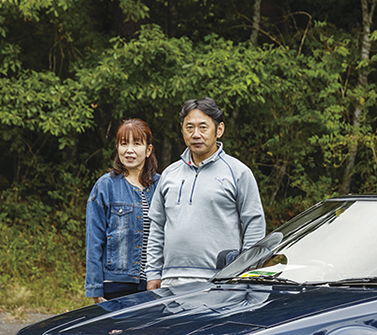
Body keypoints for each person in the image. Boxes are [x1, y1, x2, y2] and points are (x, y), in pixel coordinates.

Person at [146, 97, 265, 289]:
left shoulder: (238, 172)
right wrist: (152, 274)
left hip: (219, 281)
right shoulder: (169, 174)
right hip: (170, 280)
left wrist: (245, 272)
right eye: (189, 127)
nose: (196, 134)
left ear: (219, 130)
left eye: (203, 127)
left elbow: (254, 224)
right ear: (182, 129)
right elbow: (157, 227)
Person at [85, 118, 160, 302]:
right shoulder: (105, 186)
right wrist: (95, 289)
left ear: (148, 150)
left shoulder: (162, 185)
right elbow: (94, 241)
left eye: (137, 143)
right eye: (124, 143)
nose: (129, 150)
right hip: (115, 285)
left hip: (154, 285)